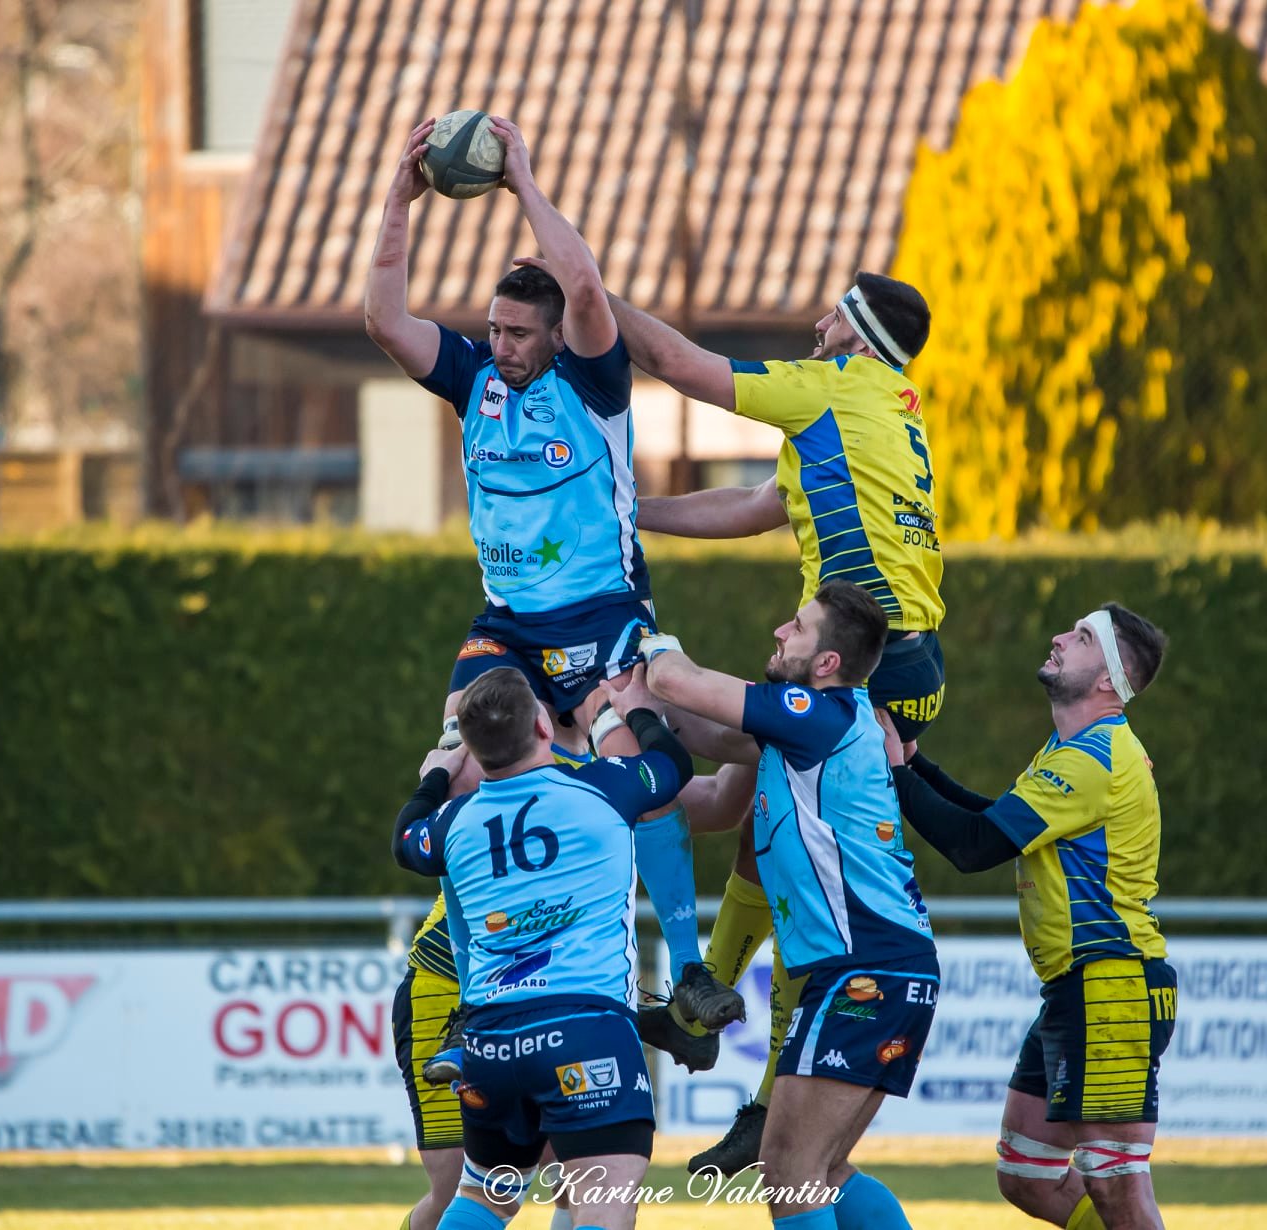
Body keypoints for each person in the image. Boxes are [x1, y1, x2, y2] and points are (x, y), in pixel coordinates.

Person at [366, 118, 739, 1090]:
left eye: (516, 333)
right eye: (493, 329)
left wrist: (522, 178)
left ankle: (691, 972)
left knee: (647, 772)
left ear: (553, 335)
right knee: (462, 785)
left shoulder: (592, 380)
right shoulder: (473, 381)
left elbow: (581, 287)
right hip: (506, 629)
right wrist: (396, 203)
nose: (501, 345)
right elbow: (384, 322)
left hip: (604, 618)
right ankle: (480, 1002)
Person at [587, 267, 945, 1168]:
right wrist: (632, 516)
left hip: (871, 657)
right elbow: (754, 508)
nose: (817, 321)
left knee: (788, 851)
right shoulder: (877, 409)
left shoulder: (827, 388)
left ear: (857, 333)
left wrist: (581, 288)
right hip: (902, 655)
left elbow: (676, 360)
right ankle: (705, 1021)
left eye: (835, 311)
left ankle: (747, 1074)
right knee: (747, 822)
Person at [640, 580, 937, 1230]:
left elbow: (678, 683)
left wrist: (637, 628)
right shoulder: (816, 725)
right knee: (820, 1171)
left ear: (827, 664)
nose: (779, 631)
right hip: (878, 967)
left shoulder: (813, 714)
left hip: (865, 970)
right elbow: (699, 733)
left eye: (797, 627)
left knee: (792, 1172)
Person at [887, 604, 1175, 1230]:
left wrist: (895, 771)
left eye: (1080, 638)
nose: (1058, 639)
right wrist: (911, 763)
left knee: (1118, 1184)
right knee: (1026, 1173)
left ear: (1108, 679)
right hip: (1080, 989)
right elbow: (994, 822)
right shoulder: (1071, 749)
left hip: (1112, 986)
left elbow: (974, 847)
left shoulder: (1093, 760)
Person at [392, 665, 694, 1230]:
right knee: (600, 1203)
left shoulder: (456, 818)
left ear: (472, 749)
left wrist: (434, 777)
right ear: (542, 726)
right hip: (584, 1027)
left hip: (487, 1039)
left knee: (485, 1197)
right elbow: (672, 767)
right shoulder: (602, 786)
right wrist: (629, 711)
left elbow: (406, 840)